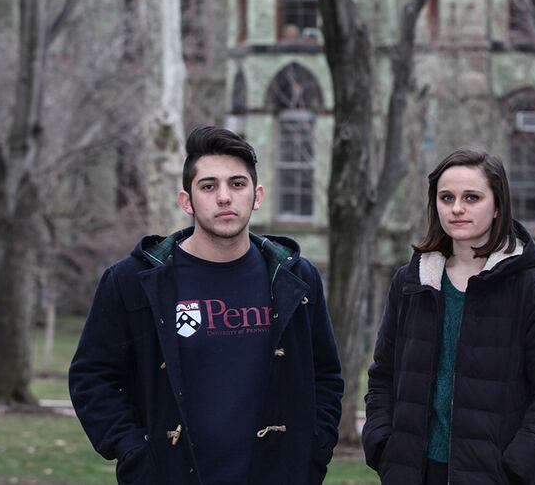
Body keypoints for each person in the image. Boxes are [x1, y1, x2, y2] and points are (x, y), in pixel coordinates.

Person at [69, 126, 343, 485]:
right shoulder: (133, 281)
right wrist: (135, 453)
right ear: (187, 201)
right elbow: (92, 379)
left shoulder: (295, 278)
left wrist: (314, 453)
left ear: (257, 195)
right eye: (209, 186)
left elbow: (326, 377)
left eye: (237, 184)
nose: (224, 197)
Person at [362, 148, 535, 485]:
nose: (457, 208)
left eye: (472, 197)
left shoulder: (533, 291)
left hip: (495, 475)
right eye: (446, 197)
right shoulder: (411, 283)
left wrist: (518, 464)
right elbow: (383, 376)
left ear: (497, 206)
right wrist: (382, 445)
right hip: (413, 472)